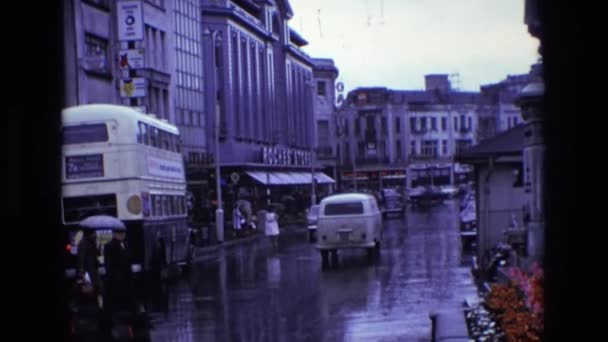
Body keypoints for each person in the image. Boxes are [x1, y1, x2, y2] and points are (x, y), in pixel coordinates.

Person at [103, 226, 135, 316]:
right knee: (118, 306)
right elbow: (109, 264)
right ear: (116, 234)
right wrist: (116, 276)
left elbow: (128, 259)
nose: (123, 235)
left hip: (126, 279)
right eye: (121, 233)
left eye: (124, 233)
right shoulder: (109, 246)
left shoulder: (125, 244)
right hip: (117, 280)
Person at [77, 228, 102, 308]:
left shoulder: (93, 242)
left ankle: (99, 305)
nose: (96, 234)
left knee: (98, 287)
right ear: (90, 234)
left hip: (94, 268)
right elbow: (81, 257)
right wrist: (81, 270)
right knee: (90, 289)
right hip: (88, 270)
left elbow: (97, 253)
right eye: (94, 233)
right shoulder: (83, 243)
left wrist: (99, 245)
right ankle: (92, 306)